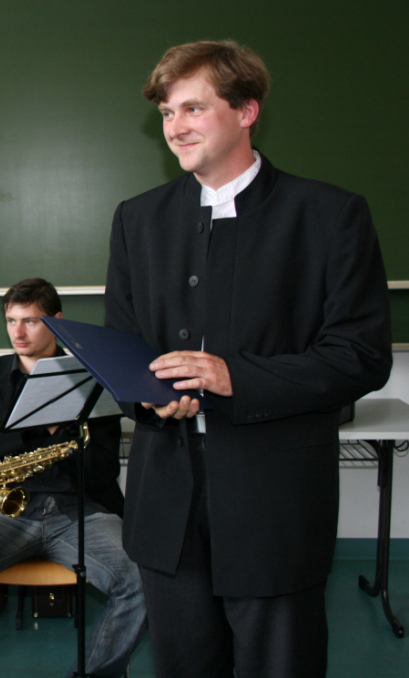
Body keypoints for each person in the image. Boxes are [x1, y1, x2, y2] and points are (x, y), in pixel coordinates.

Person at [104, 40, 392, 677]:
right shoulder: (137, 220)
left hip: (275, 506)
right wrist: (147, 396)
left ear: (246, 111)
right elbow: (123, 347)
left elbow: (360, 356)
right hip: (166, 506)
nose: (175, 127)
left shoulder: (330, 215)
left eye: (194, 108)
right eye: (167, 113)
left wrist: (236, 376)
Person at [0, 278, 146, 678]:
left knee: (143, 578)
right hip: (1, 512)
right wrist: (25, 428)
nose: (18, 332)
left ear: (57, 321)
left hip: (78, 509)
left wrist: (66, 442)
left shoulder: (94, 379)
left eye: (30, 321)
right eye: (11, 320)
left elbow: (104, 469)